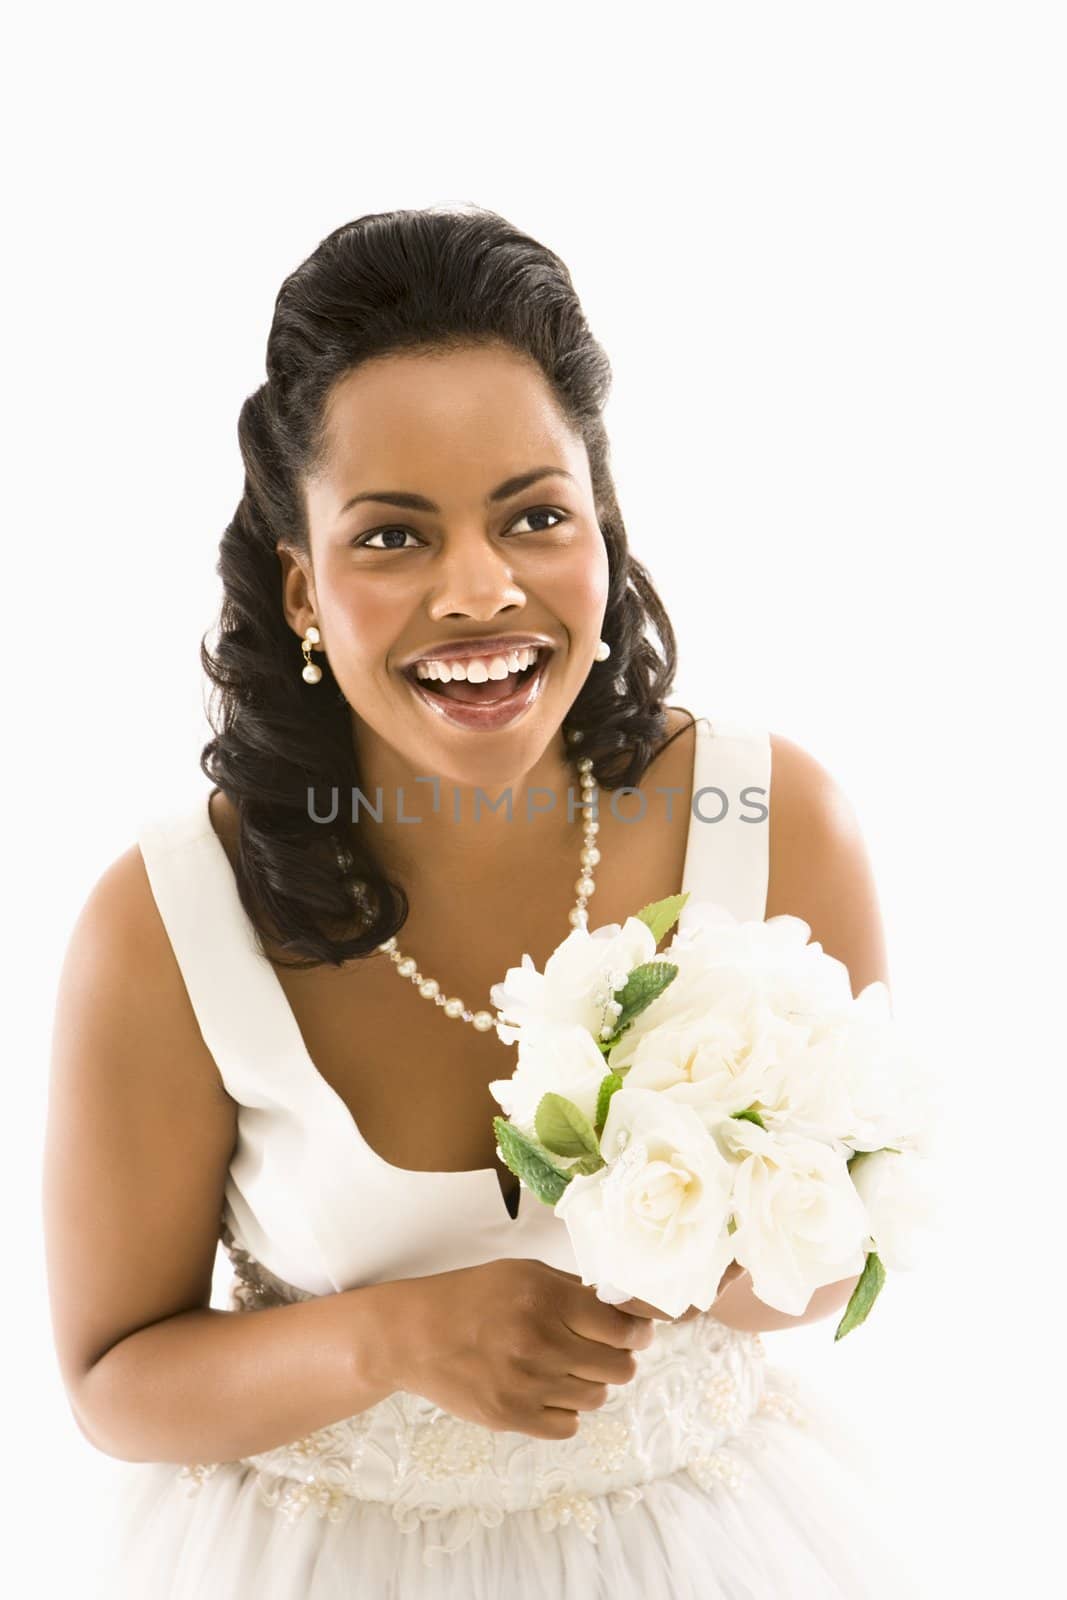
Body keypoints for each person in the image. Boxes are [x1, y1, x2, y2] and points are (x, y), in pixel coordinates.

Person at [45, 206, 920, 1597]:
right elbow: (111, 1380)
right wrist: (392, 1342)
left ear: (602, 531)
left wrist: (678, 1238)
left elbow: (834, 1260)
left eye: (533, 515)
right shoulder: (168, 920)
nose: (479, 589)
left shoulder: (772, 823)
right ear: (303, 591)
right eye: (392, 539)